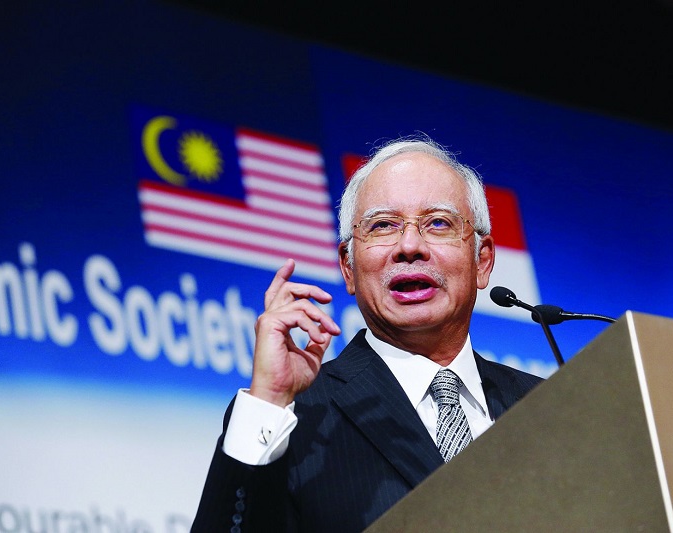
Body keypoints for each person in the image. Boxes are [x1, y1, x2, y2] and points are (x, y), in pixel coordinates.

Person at [192, 135, 543, 532]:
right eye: (383, 226)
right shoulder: (297, 415)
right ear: (348, 267)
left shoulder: (546, 406)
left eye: (438, 223)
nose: (409, 246)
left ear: (483, 261)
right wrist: (269, 401)